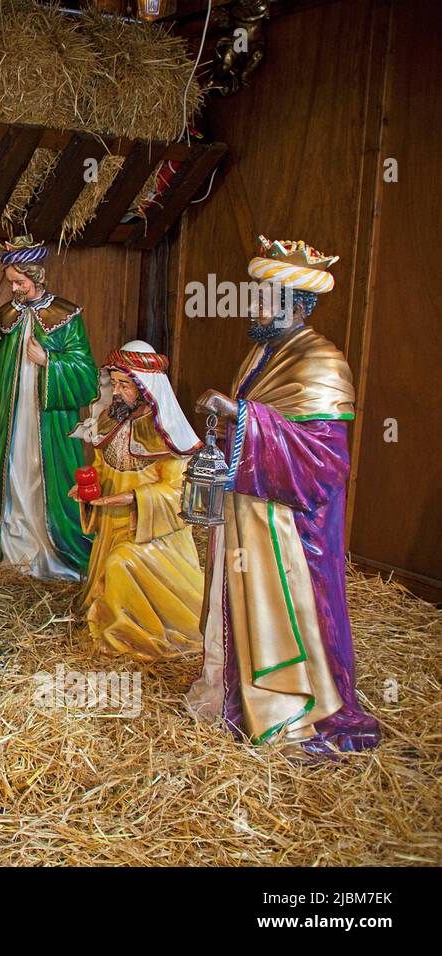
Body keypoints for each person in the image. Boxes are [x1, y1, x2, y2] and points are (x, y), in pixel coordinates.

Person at [186, 236, 381, 756]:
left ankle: (295, 706)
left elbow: (324, 459)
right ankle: (242, 692)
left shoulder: (321, 360)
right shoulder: (264, 350)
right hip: (251, 507)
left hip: (291, 529)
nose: (252, 304)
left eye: (263, 296)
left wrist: (238, 416)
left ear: (295, 301)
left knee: (289, 613)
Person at [0, 237, 98, 579]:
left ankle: (54, 546)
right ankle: (14, 541)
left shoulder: (66, 316)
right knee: (14, 470)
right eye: (11, 282)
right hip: (14, 417)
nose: (15, 288)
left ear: (37, 278)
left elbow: (86, 373)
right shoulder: (8, 315)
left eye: (19, 282)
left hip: (49, 418)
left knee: (45, 475)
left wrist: (49, 361)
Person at [69, 341, 204, 660]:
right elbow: (103, 466)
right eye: (113, 383)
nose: (116, 391)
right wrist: (88, 487)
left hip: (152, 534)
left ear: (145, 388)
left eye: (124, 385)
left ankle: (126, 633)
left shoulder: (165, 434)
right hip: (112, 528)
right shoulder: (112, 419)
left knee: (121, 564)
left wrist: (131, 498)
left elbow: (178, 493)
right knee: (109, 566)